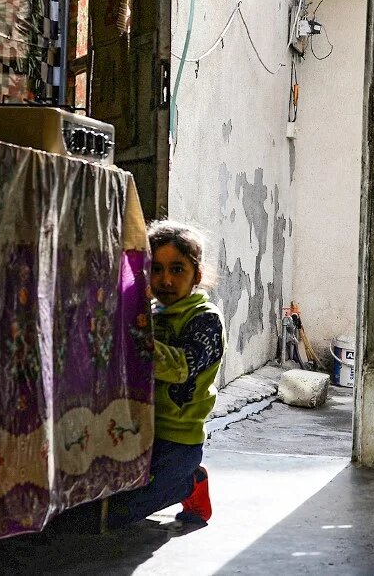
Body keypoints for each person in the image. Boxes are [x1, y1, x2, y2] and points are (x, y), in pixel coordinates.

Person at [109, 219, 225, 528]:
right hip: (138, 430)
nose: (166, 280)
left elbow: (180, 368)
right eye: (156, 269)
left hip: (177, 441)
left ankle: (190, 482)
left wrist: (133, 336)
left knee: (121, 514)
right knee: (103, 503)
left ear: (197, 275)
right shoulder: (150, 313)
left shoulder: (206, 320)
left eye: (177, 269)